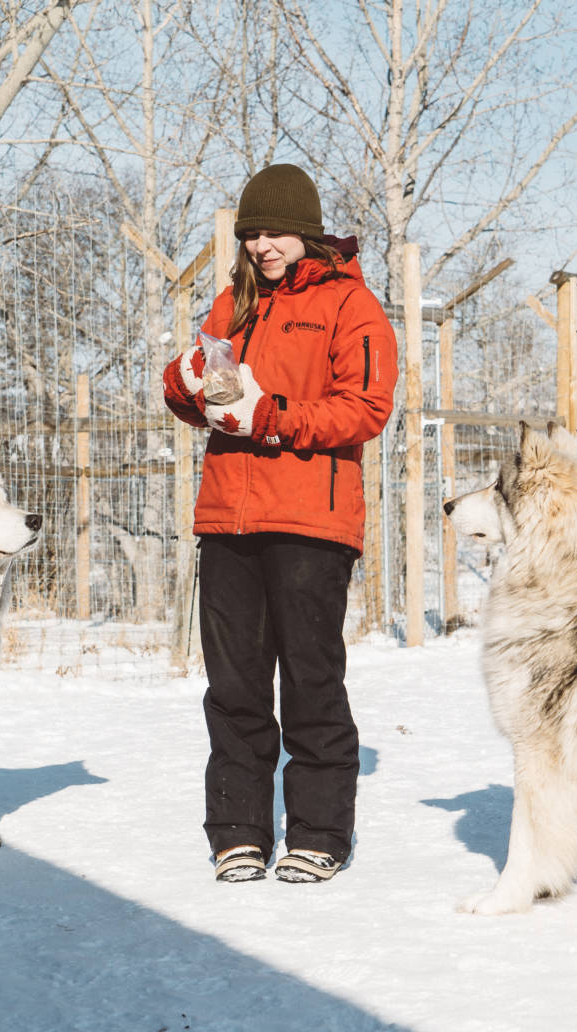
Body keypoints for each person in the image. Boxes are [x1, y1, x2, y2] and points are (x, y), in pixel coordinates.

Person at [162, 163, 398, 883]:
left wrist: (271, 417)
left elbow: (366, 408)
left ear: (308, 232)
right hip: (228, 516)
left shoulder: (351, 305)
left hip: (310, 523)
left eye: (277, 232)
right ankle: (237, 829)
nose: (264, 245)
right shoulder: (233, 299)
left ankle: (321, 831)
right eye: (253, 233)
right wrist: (185, 378)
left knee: (309, 678)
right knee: (233, 685)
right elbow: (198, 389)